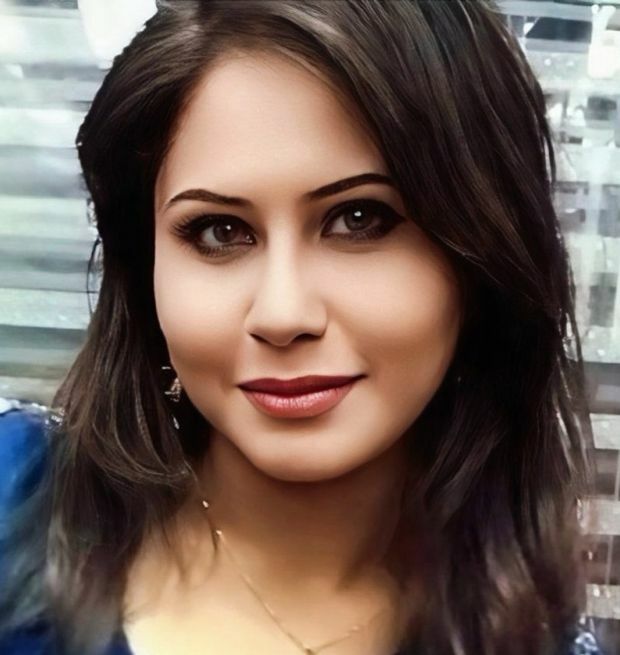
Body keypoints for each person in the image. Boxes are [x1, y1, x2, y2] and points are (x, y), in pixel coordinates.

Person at [0, 1, 605, 654]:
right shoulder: (12, 497)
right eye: (219, 231)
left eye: (359, 219)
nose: (282, 315)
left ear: (482, 259)